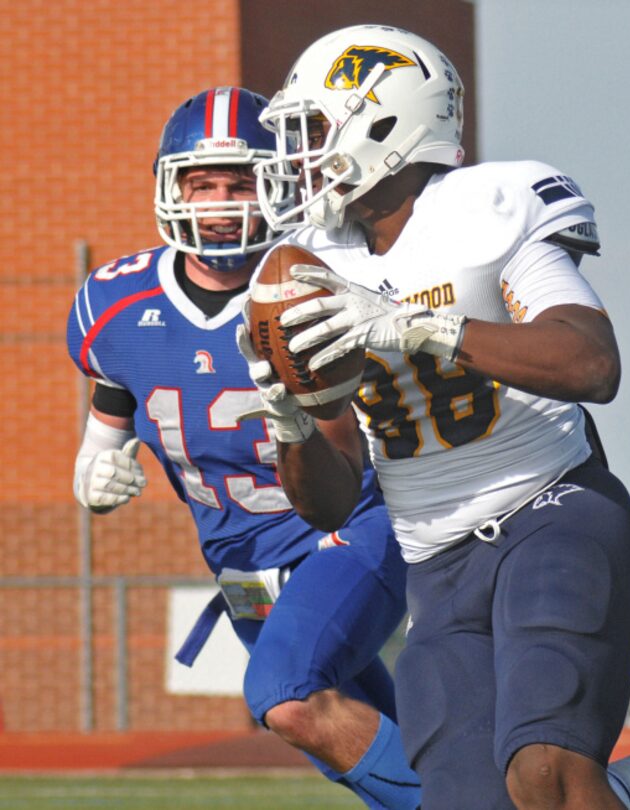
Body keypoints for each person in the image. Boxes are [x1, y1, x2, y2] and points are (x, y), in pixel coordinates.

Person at [237, 24, 630, 810]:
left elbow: (590, 362)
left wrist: (412, 325)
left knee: (546, 773)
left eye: (315, 130)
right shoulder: (311, 260)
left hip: (553, 514)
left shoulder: (484, 209)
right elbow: (329, 499)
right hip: (437, 563)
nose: (298, 157)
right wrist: (289, 419)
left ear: (387, 125)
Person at [66, 86, 420, 810]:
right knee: (368, 736)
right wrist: (96, 461)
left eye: (241, 183)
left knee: (287, 698)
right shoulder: (112, 305)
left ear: (281, 186)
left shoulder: (319, 282)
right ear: (171, 187)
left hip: (349, 523)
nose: (221, 202)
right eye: (203, 184)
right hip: (239, 555)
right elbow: (114, 399)